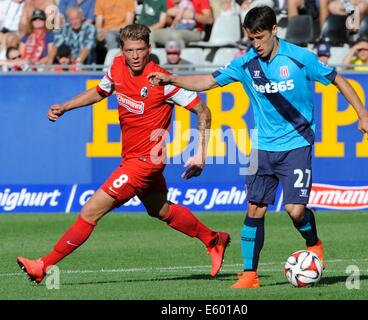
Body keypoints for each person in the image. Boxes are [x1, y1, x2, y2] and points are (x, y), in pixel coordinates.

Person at [148, 5, 368, 288]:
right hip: (261, 147)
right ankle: (250, 275)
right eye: (251, 38)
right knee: (254, 208)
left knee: (295, 210)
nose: (256, 44)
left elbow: (338, 80)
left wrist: (363, 115)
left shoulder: (299, 58)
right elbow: (207, 82)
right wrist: (172, 78)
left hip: (297, 143)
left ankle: (313, 242)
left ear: (274, 31)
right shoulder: (245, 64)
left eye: (260, 37)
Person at [17, 23, 230, 284]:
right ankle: (214, 239)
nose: (136, 56)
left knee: (90, 211)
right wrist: (66, 106)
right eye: (130, 50)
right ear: (122, 50)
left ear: (149, 49)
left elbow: (204, 111)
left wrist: (201, 154)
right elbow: (99, 92)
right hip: (131, 158)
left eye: (141, 50)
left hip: (144, 163)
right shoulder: (117, 67)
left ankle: (43, 265)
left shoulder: (161, 80)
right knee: (159, 209)